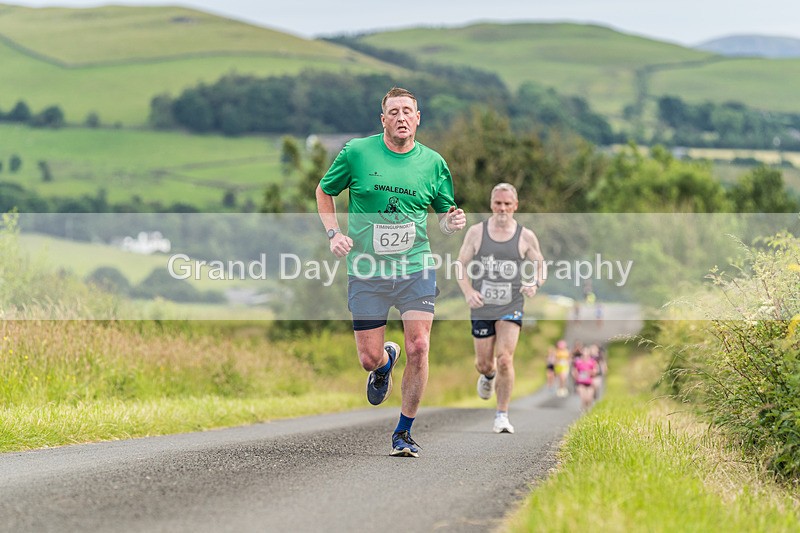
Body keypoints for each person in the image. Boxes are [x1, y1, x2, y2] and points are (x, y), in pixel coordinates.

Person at [315, 87, 466, 458]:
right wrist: (334, 233)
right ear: (382, 119)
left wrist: (451, 223)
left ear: (418, 118)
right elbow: (324, 191)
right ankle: (384, 363)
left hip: (416, 267)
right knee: (368, 358)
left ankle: (403, 432)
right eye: (394, 112)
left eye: (407, 111)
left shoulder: (433, 163)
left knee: (420, 345)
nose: (401, 118)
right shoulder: (357, 153)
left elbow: (444, 217)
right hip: (368, 270)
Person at [455, 182, 546, 434]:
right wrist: (468, 292)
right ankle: (488, 375)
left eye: (507, 204)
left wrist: (535, 283)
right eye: (498, 203)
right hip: (482, 306)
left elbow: (541, 264)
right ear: (491, 204)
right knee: (484, 364)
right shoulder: (476, 232)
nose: (502, 208)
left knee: (505, 359)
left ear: (515, 206)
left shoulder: (526, 236)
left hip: (511, 303)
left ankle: (502, 415)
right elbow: (460, 264)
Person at [572, 346, 599, 410]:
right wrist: (576, 376)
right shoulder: (578, 362)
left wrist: (590, 372)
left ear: (589, 354)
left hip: (590, 382)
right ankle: (583, 410)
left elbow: (596, 371)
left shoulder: (592, 361)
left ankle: (588, 410)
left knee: (589, 399)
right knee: (583, 398)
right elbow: (574, 371)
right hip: (580, 382)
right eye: (584, 354)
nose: (585, 355)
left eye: (586, 354)